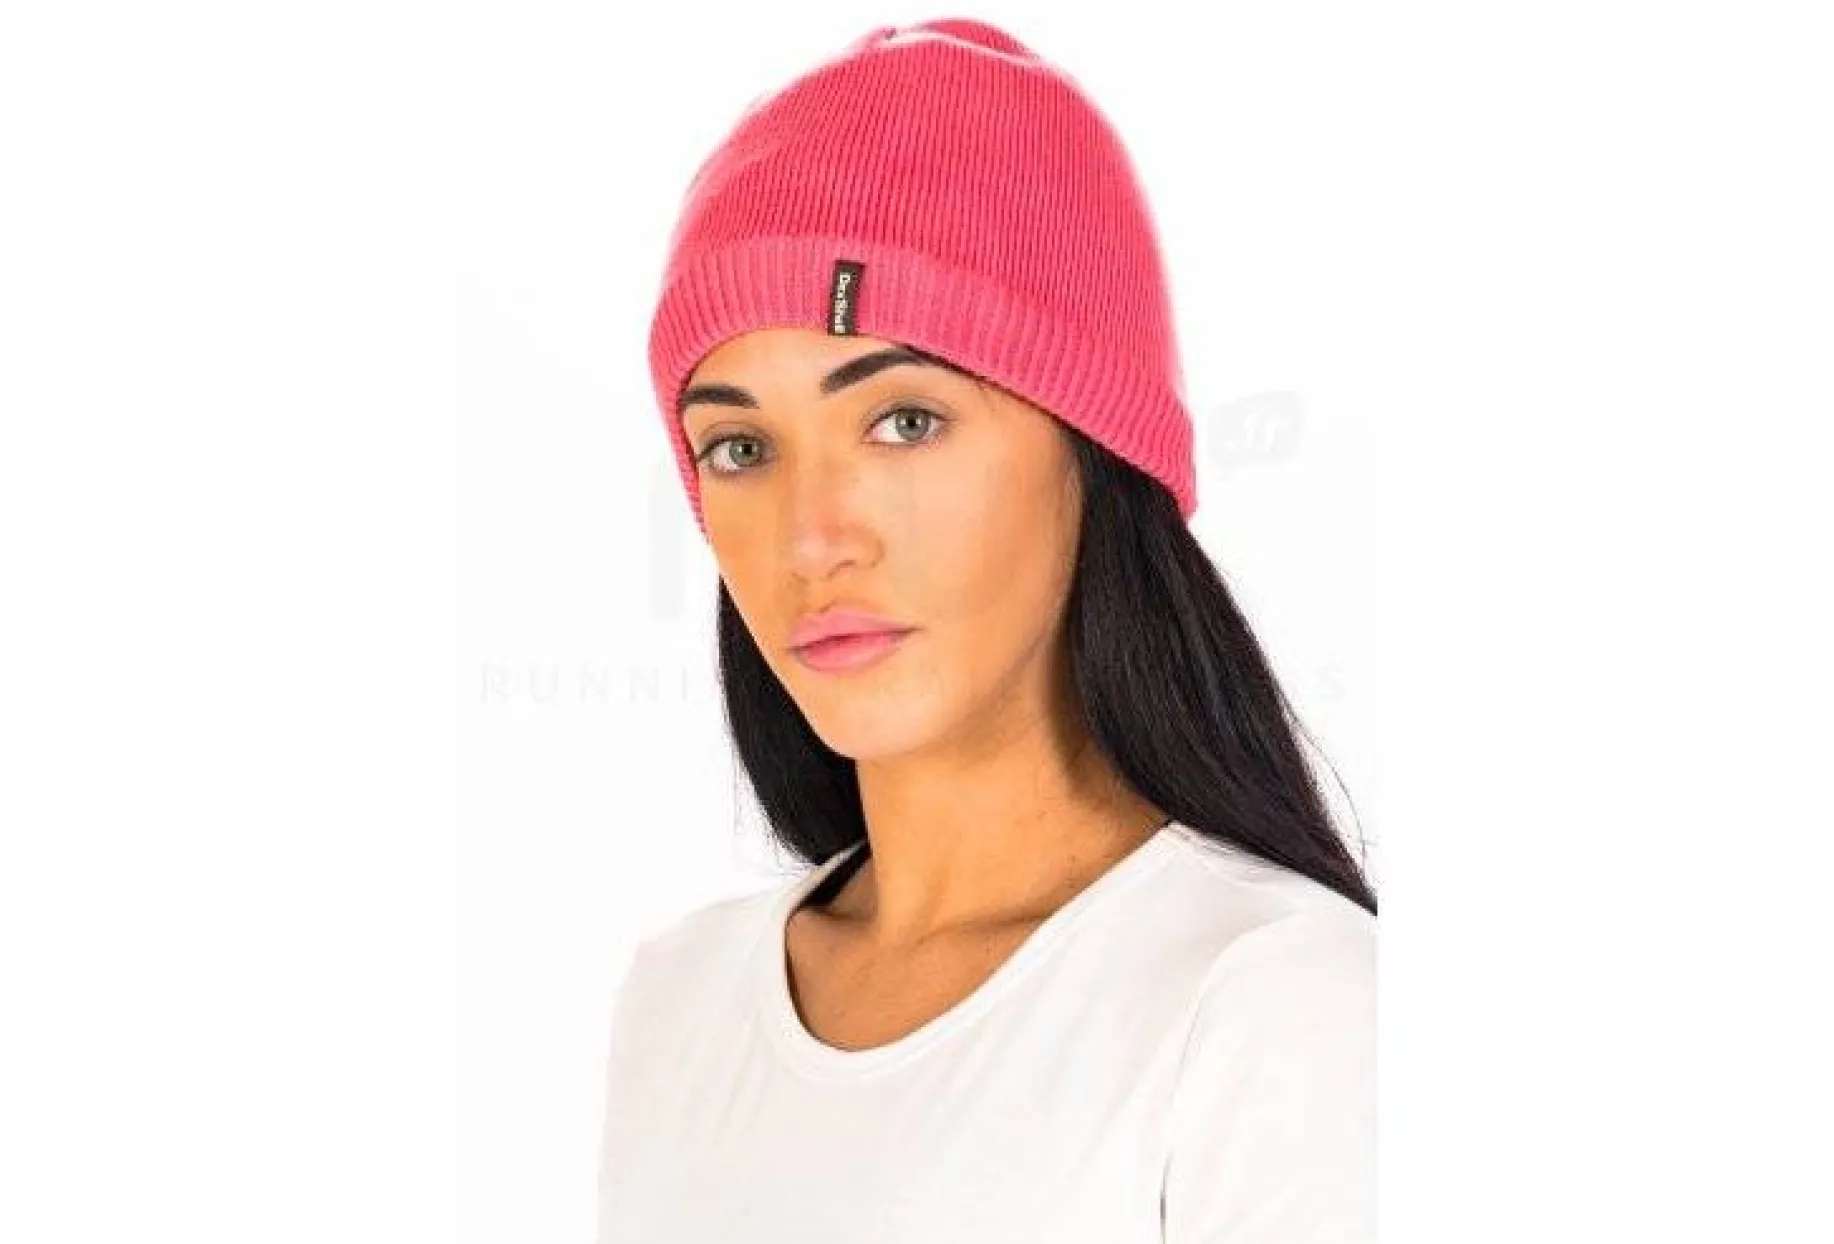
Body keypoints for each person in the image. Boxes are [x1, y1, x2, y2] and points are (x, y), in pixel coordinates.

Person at [598, 18, 1377, 1243]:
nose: (812, 538)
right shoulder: (678, 999)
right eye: (740, 446)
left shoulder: (1273, 1003)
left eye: (904, 421)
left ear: (1095, 450)